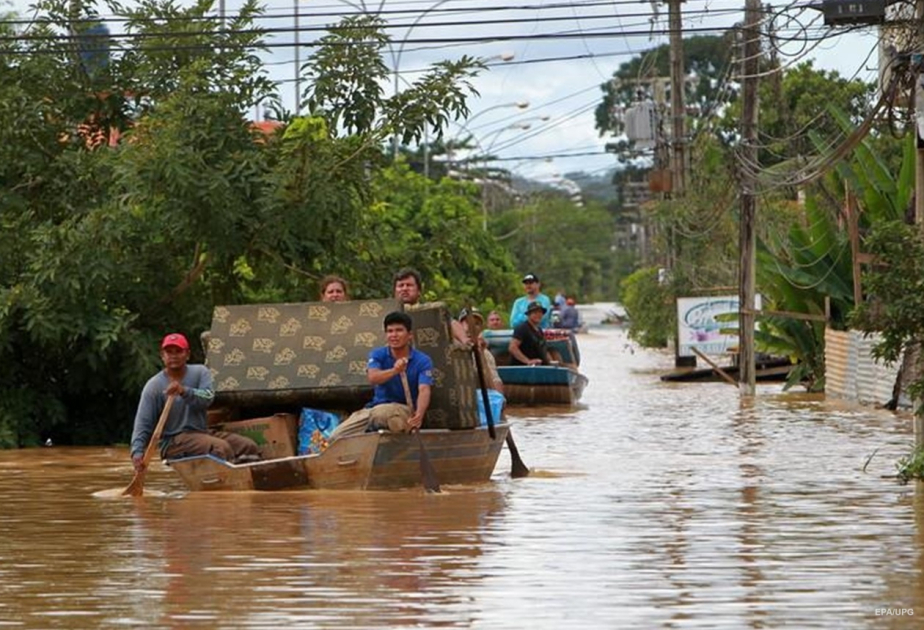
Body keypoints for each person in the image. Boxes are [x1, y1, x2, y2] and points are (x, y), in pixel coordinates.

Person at [130, 333, 260, 472]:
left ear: (187, 354)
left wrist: (184, 391)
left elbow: (208, 396)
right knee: (220, 447)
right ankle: (225, 483)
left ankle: (251, 479)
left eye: (179, 351)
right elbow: (143, 424)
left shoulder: (200, 372)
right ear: (162, 355)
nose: (174, 356)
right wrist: (137, 452)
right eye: (169, 352)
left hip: (201, 433)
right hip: (174, 441)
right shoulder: (154, 386)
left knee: (248, 446)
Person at [329, 311, 434, 440]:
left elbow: (424, 389)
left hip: (403, 409)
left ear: (410, 335)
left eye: (399, 330)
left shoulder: (422, 360)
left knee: (387, 417)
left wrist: (419, 415)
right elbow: (373, 378)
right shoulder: (377, 354)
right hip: (374, 409)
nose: (394, 335)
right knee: (336, 436)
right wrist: (395, 370)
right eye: (390, 331)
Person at [458, 308, 504, 394]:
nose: (472, 327)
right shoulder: (452, 348)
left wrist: (481, 355)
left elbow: (496, 384)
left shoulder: (485, 353)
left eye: (476, 324)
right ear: (460, 325)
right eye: (468, 323)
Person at [508, 302, 551, 366]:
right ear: (529, 314)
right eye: (535, 313)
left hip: (539, 368)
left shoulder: (539, 330)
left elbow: (543, 349)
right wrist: (528, 361)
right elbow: (512, 347)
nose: (538, 315)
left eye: (540, 312)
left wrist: (551, 362)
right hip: (524, 370)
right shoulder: (522, 328)